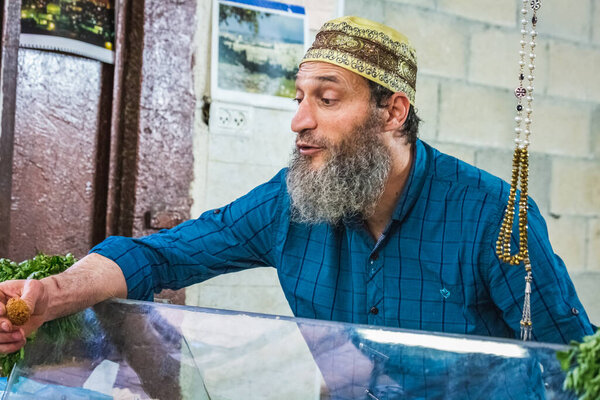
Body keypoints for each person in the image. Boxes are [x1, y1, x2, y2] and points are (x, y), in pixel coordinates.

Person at [0, 16, 593, 355]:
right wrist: (48, 296)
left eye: (327, 99)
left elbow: (571, 365)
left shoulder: (494, 215)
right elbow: (160, 255)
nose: (299, 120)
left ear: (392, 113)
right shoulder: (290, 202)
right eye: (299, 97)